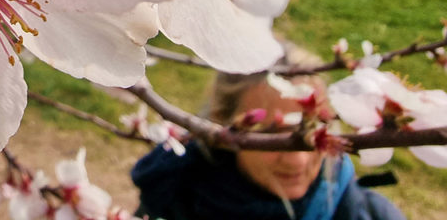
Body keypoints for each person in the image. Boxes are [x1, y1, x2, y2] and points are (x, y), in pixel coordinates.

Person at [130, 53, 407, 220]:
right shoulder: (171, 196)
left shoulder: (369, 214)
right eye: (272, 133)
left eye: (313, 128)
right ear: (225, 127)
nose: (297, 161)